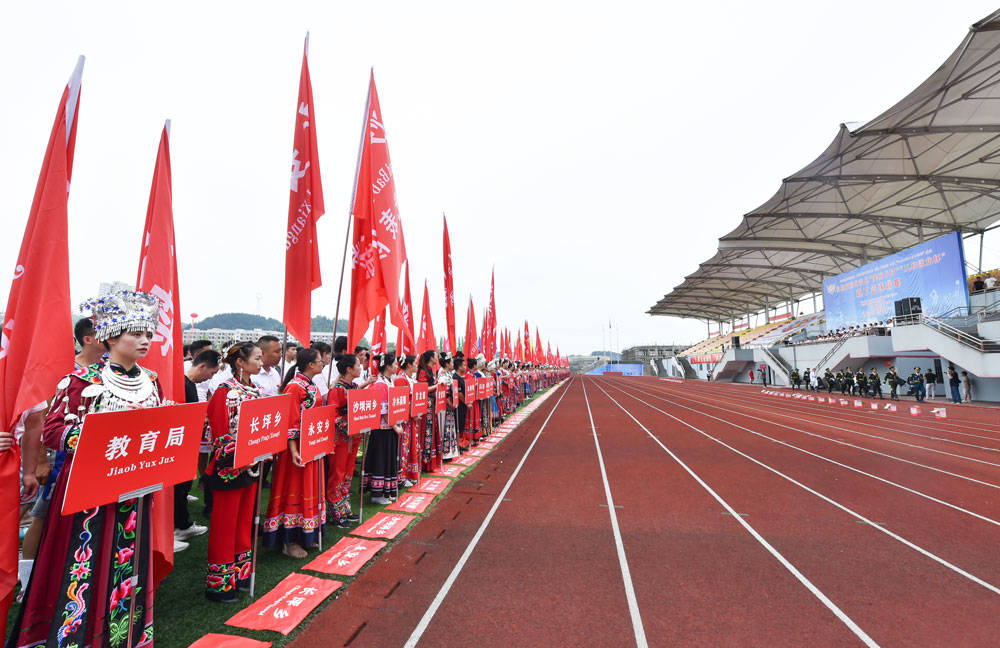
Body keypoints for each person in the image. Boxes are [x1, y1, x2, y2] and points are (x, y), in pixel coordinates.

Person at [11, 290, 164, 648]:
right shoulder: (82, 381)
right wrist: (102, 435)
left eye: (148, 333)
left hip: (135, 487)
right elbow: (52, 430)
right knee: (87, 557)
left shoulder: (152, 380)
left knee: (127, 557)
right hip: (88, 488)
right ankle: (78, 632)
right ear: (111, 337)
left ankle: (123, 628)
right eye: (135, 333)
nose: (145, 340)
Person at [204, 342, 264, 602]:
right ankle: (219, 583)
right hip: (229, 468)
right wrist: (240, 458)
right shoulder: (224, 392)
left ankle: (240, 574)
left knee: (244, 523)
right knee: (225, 526)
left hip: (252, 466)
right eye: (257, 358)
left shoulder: (256, 390)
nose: (261, 363)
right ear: (240, 362)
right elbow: (219, 435)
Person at [264, 348, 326, 558]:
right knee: (295, 488)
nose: (322, 364)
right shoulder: (294, 387)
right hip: (297, 450)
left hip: (312, 445)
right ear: (310, 364)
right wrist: (293, 450)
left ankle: (306, 532)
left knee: (309, 489)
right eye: (320, 361)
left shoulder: (310, 384)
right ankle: (289, 540)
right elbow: (289, 422)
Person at [176, 349, 220, 551]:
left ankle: (182, 523)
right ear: (202, 366)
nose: (209, 378)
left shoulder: (190, 385)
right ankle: (177, 526)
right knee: (178, 486)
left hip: (188, 441)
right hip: (179, 443)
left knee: (184, 484)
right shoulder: (181, 385)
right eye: (211, 373)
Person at [326, 354, 363, 527]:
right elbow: (333, 416)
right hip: (340, 439)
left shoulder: (354, 386)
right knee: (338, 473)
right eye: (357, 364)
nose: (360, 367)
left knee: (348, 472)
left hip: (353, 439)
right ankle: (335, 512)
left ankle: (345, 508)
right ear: (349, 369)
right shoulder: (338, 390)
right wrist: (350, 429)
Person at [364, 353, 402, 505]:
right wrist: (395, 426)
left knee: (388, 459)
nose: (396, 366)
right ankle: (377, 494)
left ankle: (386, 491)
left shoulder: (389, 381)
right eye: (394, 364)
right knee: (380, 460)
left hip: (389, 428)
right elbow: (383, 410)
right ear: (387, 366)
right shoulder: (381, 384)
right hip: (382, 429)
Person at [395, 355, 421, 486]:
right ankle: (403, 475)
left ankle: (411, 473)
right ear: (409, 365)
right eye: (415, 363)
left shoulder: (411, 379)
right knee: (404, 447)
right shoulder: (401, 380)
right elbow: (403, 400)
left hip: (413, 419)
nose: (417, 365)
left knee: (412, 445)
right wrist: (413, 412)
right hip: (405, 419)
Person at [418, 350, 444, 470]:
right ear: (431, 358)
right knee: (427, 431)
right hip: (426, 404)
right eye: (435, 356)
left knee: (432, 430)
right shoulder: (423, 371)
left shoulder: (431, 371)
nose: (437, 358)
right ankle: (425, 461)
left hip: (433, 404)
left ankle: (431, 461)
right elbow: (423, 388)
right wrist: (437, 386)